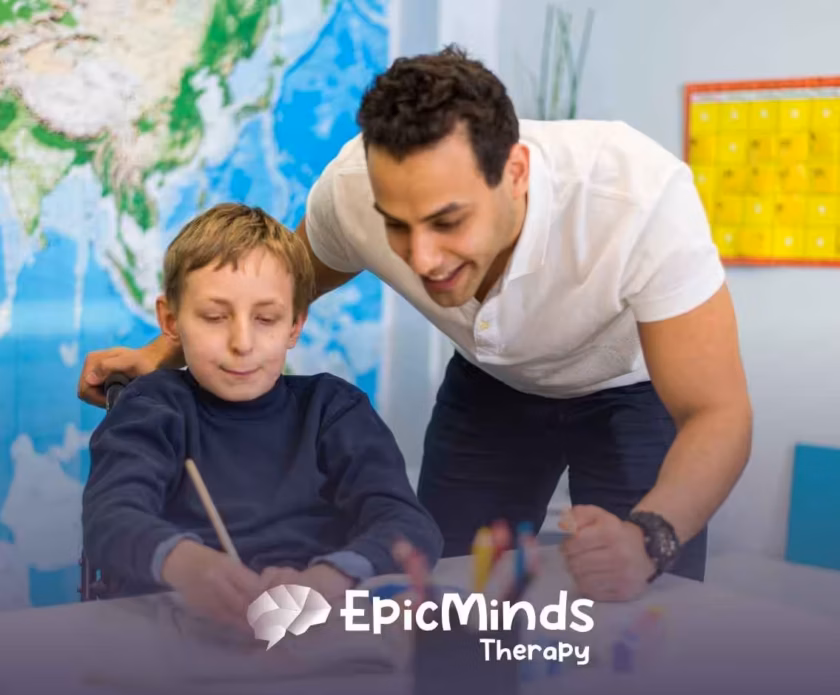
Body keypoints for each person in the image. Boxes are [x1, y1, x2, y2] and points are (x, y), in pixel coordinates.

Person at [79, 47, 752, 602]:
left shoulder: (637, 197)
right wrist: (161, 354)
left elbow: (718, 413)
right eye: (396, 226)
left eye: (447, 221)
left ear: (514, 173)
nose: (422, 259)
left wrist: (651, 539)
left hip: (630, 388)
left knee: (637, 593)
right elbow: (266, 291)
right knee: (444, 591)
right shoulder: (350, 193)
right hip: (492, 384)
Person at [82, 203, 442, 627]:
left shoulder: (333, 409)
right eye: (215, 317)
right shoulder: (152, 407)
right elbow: (110, 517)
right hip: (177, 631)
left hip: (312, 631)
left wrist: (328, 579)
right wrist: (188, 565)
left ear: (295, 325)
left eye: (266, 318)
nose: (242, 342)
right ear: (171, 321)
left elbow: (408, 525)